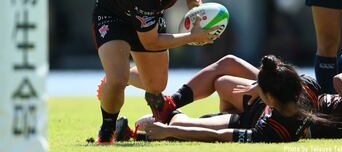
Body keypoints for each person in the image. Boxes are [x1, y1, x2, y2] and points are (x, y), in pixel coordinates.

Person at [92, 0, 219, 144]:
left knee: (156, 86)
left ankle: (116, 78)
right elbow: (151, 42)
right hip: (113, 17)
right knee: (118, 78)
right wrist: (191, 37)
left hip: (146, 16)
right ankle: (107, 129)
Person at [115, 55, 329, 143]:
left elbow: (217, 134)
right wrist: (258, 86)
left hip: (246, 121)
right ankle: (170, 104)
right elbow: (278, 79)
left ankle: (148, 128)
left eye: (260, 88)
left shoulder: (271, 132)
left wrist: (169, 131)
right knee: (225, 71)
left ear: (270, 99)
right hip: (258, 106)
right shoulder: (307, 85)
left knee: (181, 125)